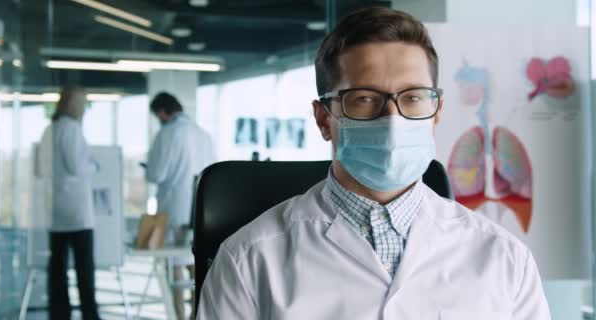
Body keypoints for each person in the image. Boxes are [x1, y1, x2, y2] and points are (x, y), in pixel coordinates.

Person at [196, 7, 550, 320]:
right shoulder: (249, 260)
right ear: (323, 119)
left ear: (436, 114)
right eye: (364, 98)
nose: (393, 118)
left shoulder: (504, 257)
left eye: (413, 97)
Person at [145, 92, 214, 319]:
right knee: (195, 265)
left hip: (173, 208)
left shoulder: (167, 133)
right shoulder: (203, 135)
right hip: (201, 208)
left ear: (162, 112)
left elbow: (156, 173)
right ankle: (198, 315)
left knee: (173, 264)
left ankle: (177, 316)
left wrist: (148, 167)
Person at [38, 86, 101, 320]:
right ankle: (90, 316)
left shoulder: (49, 130)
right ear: (73, 104)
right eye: (82, 103)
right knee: (84, 270)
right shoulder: (72, 129)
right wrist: (94, 165)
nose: (84, 109)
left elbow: (42, 168)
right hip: (77, 213)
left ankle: (59, 315)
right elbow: (76, 166)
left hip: (56, 209)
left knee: (58, 270)